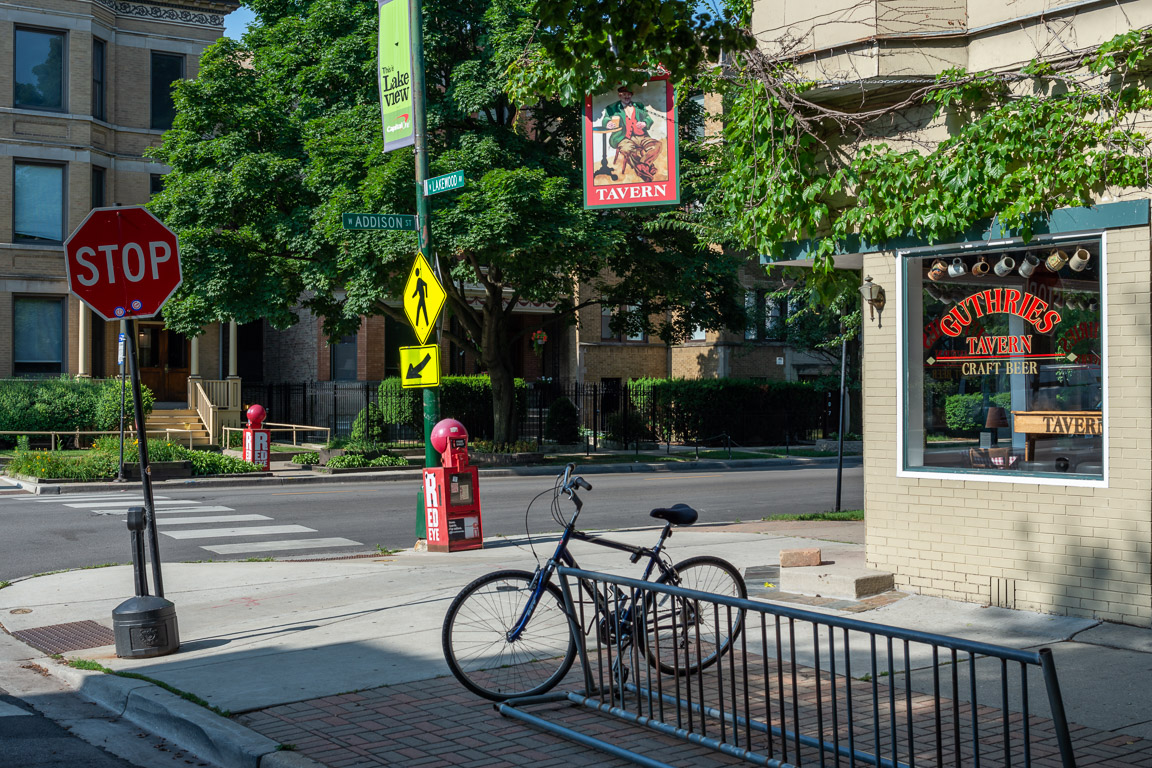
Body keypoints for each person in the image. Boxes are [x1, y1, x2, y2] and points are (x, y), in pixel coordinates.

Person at [600, 84, 666, 183]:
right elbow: (606, 118)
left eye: (629, 94)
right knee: (628, 149)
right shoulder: (612, 107)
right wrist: (608, 123)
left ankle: (642, 166)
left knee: (657, 145)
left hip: (640, 135)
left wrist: (644, 123)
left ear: (631, 95)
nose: (626, 97)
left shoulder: (639, 106)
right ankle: (646, 171)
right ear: (619, 95)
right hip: (622, 137)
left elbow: (648, 119)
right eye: (624, 94)